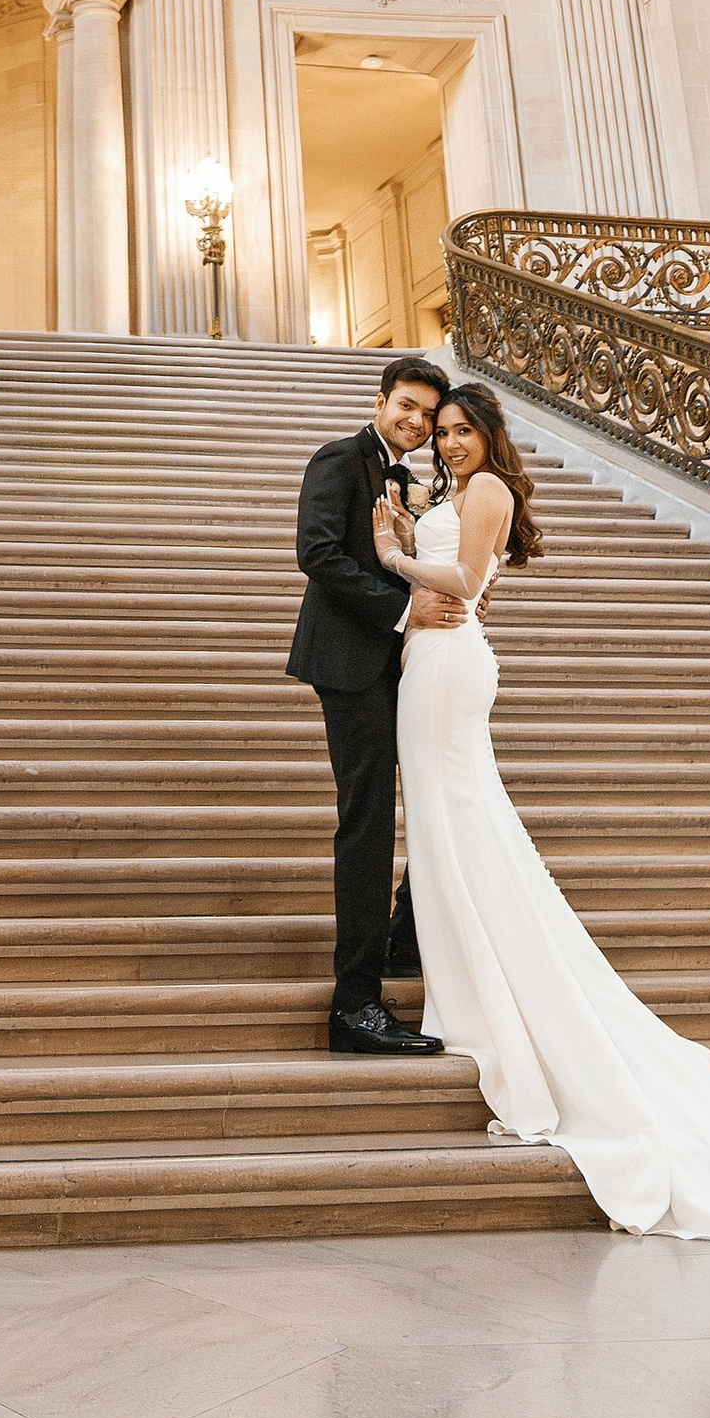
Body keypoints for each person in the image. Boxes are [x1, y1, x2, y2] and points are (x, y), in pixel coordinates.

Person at [376, 379, 710, 1244]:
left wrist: (395, 557)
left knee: (457, 827)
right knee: (447, 831)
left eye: (464, 428)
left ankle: (487, 1003)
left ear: (490, 433)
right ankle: (473, 986)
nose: (451, 441)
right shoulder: (455, 492)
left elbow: (467, 580)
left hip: (447, 661)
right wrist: (406, 536)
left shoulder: (489, 489)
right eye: (444, 431)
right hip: (432, 664)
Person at [286, 352, 464, 1058]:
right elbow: (318, 553)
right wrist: (404, 610)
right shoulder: (339, 458)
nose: (418, 422)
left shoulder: (412, 478)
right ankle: (354, 1003)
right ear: (381, 398)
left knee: (442, 793)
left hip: (408, 665)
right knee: (366, 824)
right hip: (354, 663)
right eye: (408, 407)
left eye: (428, 413)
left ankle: (401, 938)